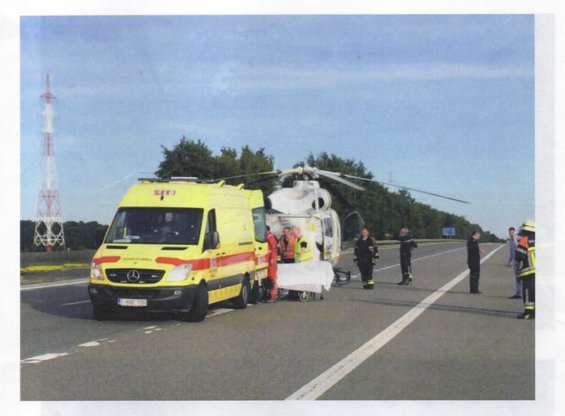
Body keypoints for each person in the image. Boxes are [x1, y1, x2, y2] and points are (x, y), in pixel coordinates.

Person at [515, 220, 535, 319]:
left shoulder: (524, 240)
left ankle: (528, 312)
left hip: (528, 270)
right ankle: (534, 311)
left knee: (527, 291)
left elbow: (519, 255)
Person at [507, 227, 522, 299]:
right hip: (515, 262)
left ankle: (524, 293)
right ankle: (518, 293)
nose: (511, 233)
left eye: (512, 232)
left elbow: (519, 248)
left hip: (521, 261)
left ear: (515, 232)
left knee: (523, 278)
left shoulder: (519, 239)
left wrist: (515, 239)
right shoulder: (510, 242)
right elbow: (511, 253)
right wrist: (509, 261)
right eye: (510, 232)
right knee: (517, 278)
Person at [265, 226, 279, 303]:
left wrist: (273, 258)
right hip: (267, 260)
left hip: (271, 261)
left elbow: (274, 248)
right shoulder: (267, 236)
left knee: (272, 278)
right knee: (268, 278)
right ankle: (269, 295)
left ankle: (273, 296)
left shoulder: (270, 236)